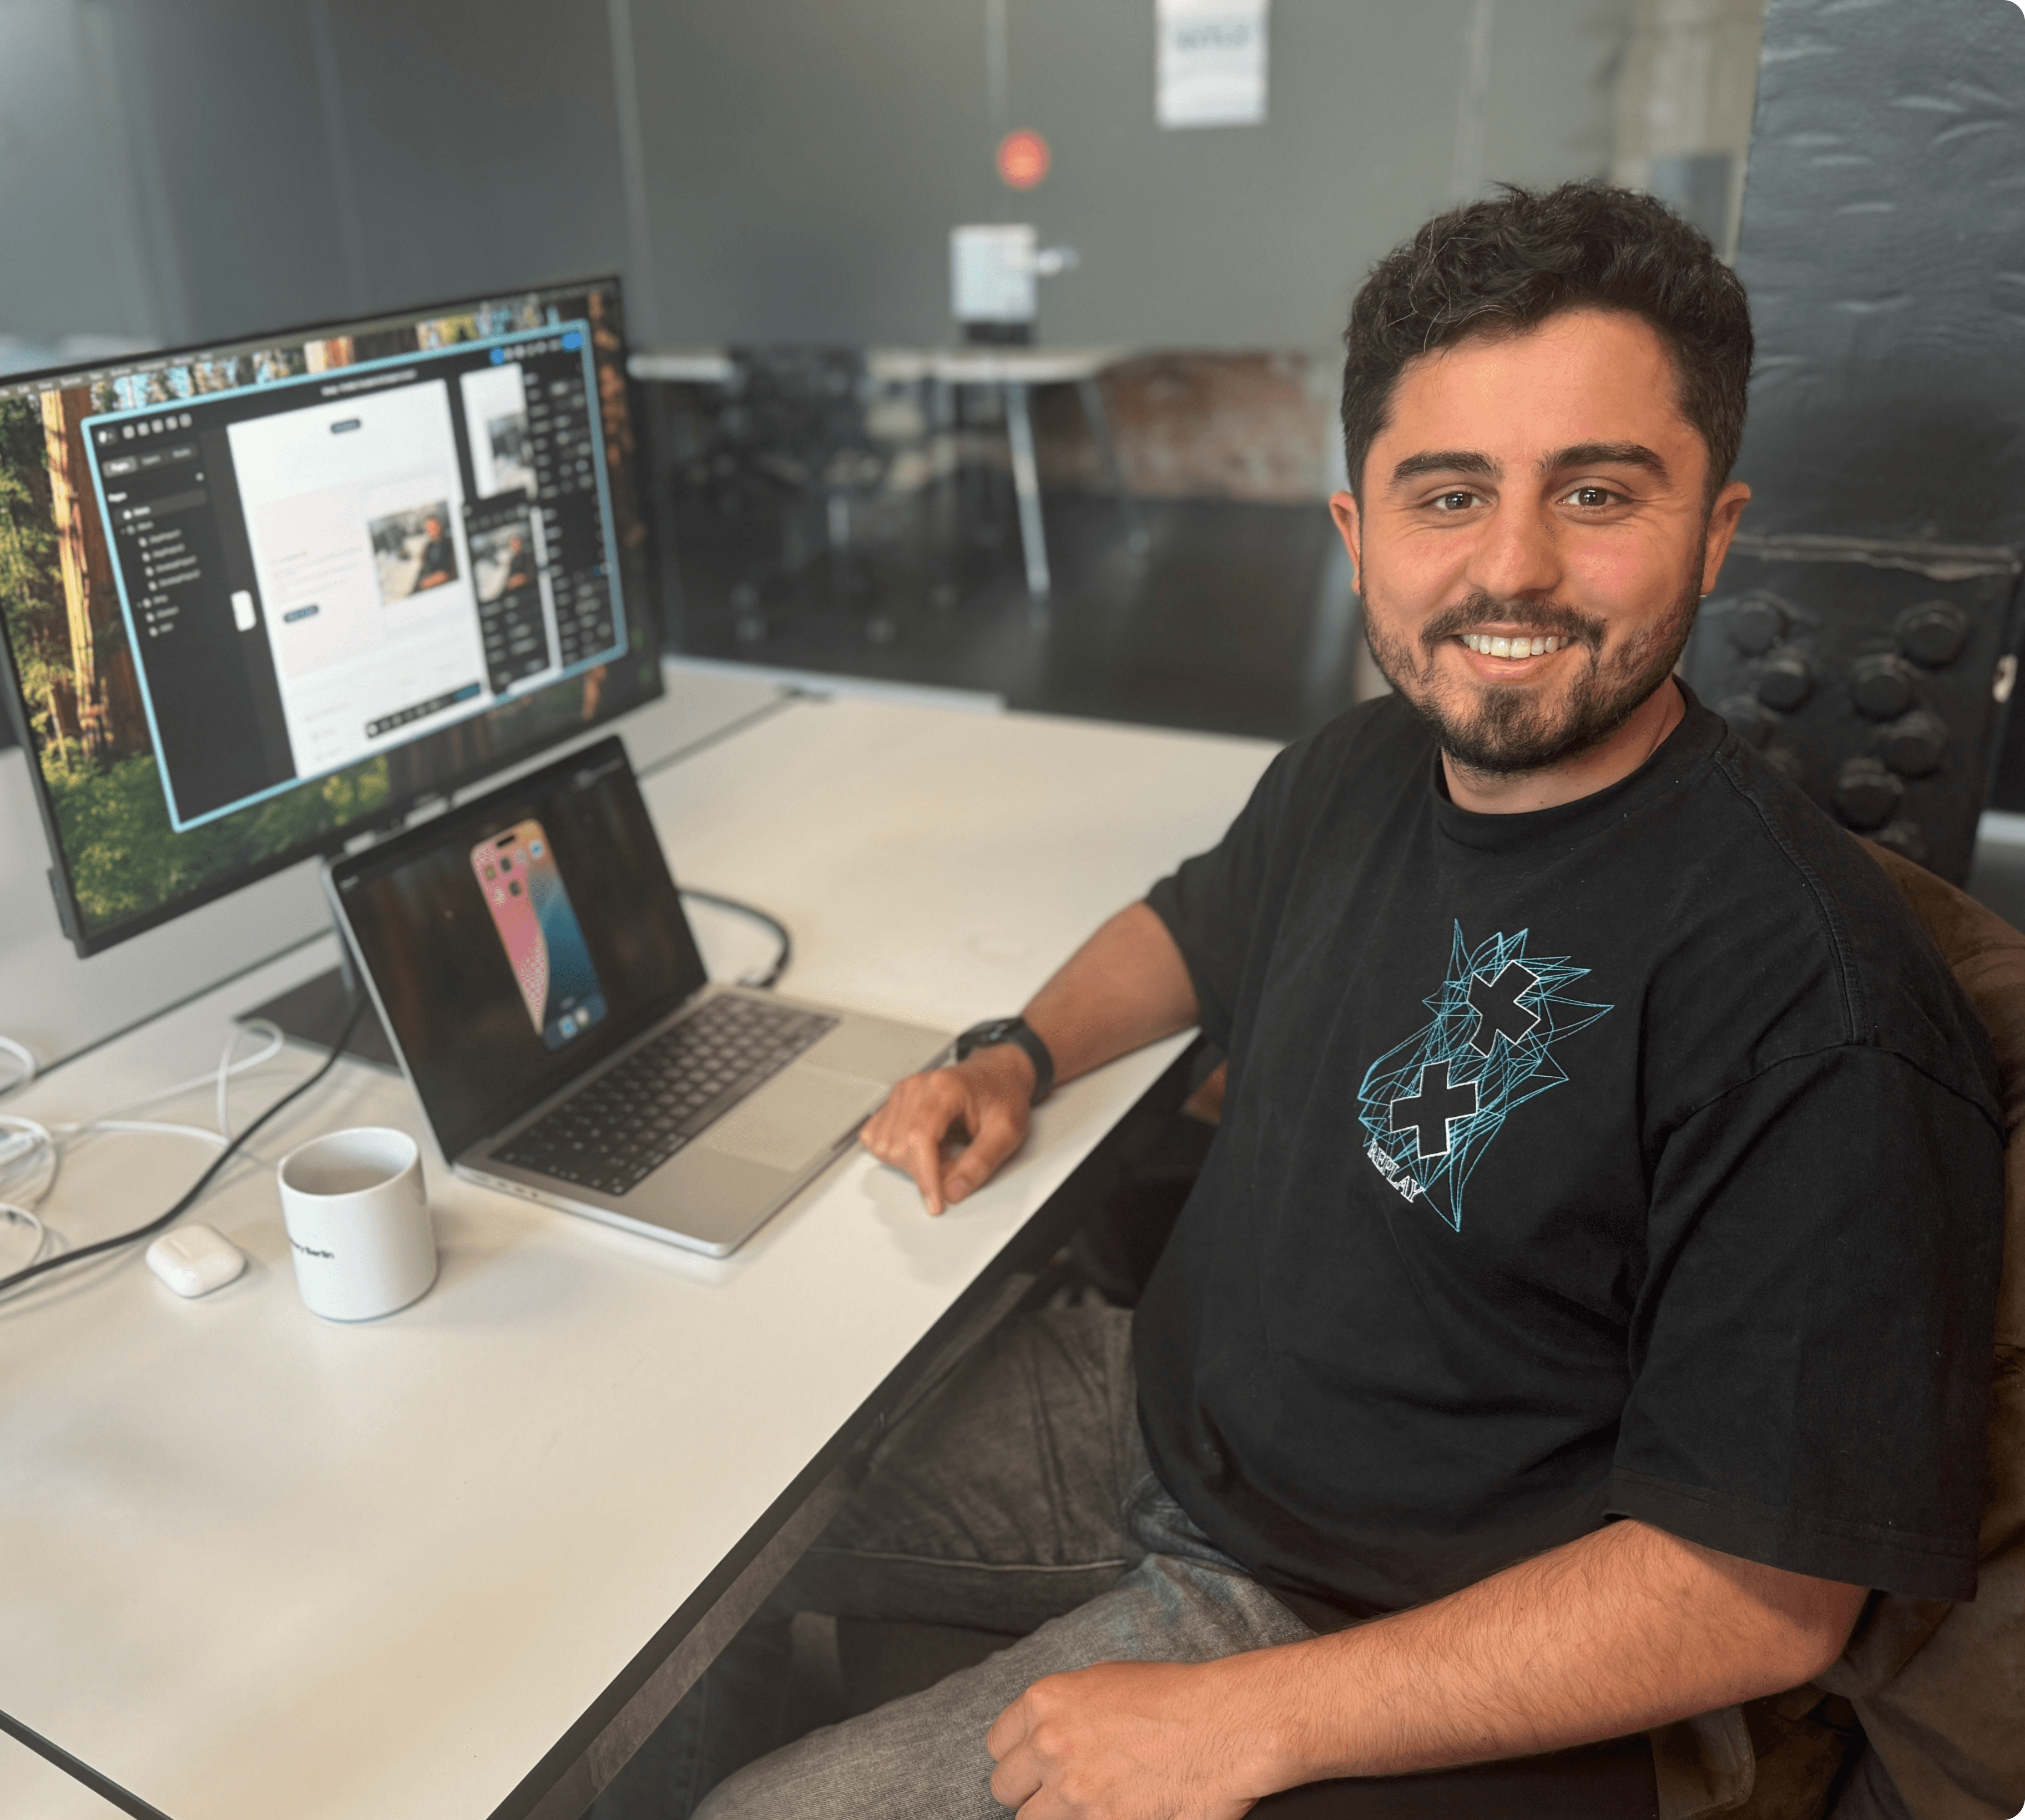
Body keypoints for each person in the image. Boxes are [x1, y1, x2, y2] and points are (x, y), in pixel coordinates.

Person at [612, 184, 2007, 1820]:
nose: (1514, 567)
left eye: (1601, 492)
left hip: (1381, 1606)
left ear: (1715, 524)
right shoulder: (1359, 770)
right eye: (1448, 493)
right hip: (1169, 1415)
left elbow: (1760, 1594)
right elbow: (1195, 926)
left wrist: (1246, 1718)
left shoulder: (1813, 1002)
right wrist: (1023, 1048)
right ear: (1358, 532)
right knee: (676, 1532)